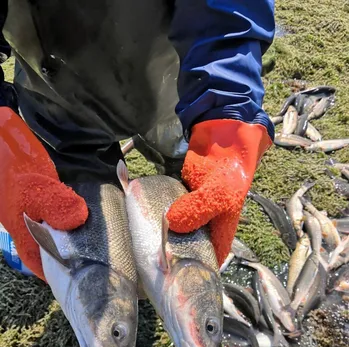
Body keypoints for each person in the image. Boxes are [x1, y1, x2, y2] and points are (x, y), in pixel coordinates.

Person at [0, 1, 275, 282]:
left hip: (179, 86)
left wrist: (225, 115)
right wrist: (5, 152)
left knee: (186, 180)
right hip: (55, 101)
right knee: (78, 213)